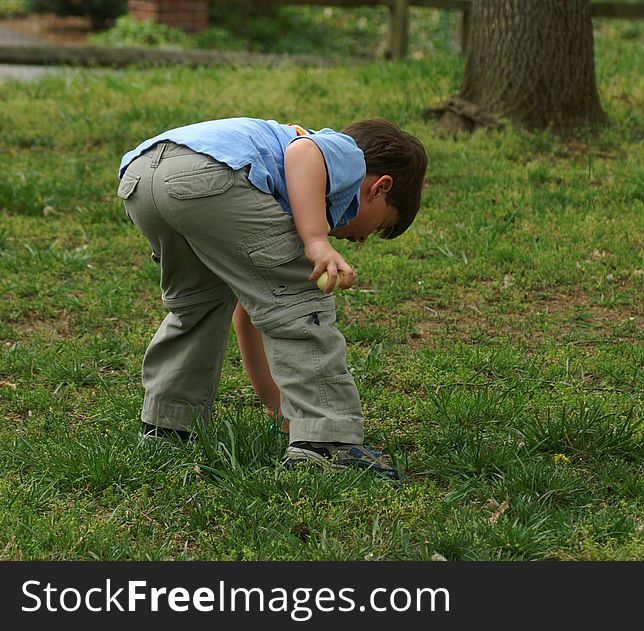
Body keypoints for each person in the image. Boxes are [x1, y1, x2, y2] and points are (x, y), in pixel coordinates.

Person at [117, 117, 427, 479]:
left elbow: (252, 313)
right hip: (210, 177)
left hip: (142, 177)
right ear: (379, 187)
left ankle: (168, 424)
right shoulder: (346, 154)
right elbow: (304, 153)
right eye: (378, 226)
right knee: (299, 298)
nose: (361, 239)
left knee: (197, 306)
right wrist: (315, 240)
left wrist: (275, 404)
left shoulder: (277, 180)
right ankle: (327, 441)